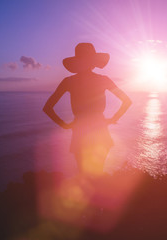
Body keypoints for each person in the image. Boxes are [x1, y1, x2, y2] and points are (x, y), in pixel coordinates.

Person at [43, 43, 132, 176]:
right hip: (100, 129)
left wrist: (65, 125)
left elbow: (48, 108)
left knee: (84, 174)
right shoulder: (103, 80)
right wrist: (113, 119)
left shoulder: (69, 81)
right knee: (97, 174)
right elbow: (127, 101)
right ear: (93, 62)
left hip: (80, 131)